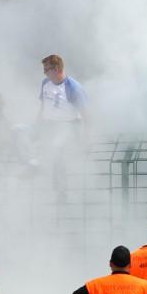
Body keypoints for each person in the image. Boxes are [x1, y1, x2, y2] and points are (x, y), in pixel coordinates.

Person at [21, 53, 90, 203]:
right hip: (48, 125)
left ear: (56, 69)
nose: (44, 73)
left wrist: (85, 139)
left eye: (46, 70)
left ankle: (61, 192)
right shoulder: (46, 82)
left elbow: (86, 116)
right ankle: (33, 164)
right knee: (19, 130)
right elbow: (43, 107)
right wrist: (37, 127)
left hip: (69, 126)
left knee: (55, 145)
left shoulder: (73, 88)